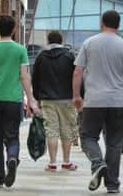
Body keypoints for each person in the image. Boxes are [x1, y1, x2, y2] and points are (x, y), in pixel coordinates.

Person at [73, 10, 123, 194]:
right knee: (114, 143)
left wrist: (77, 96)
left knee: (87, 137)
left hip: (94, 100)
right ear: (119, 25)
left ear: (102, 23)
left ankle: (97, 162)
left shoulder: (89, 43)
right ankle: (112, 184)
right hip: (118, 101)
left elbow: (77, 72)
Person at [0, 15, 39, 189]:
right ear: (13, 30)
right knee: (12, 136)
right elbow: (24, 76)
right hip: (14, 100)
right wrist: (31, 100)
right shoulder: (20, 50)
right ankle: (12, 157)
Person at [32, 30, 77, 171]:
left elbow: (35, 79)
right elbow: (77, 77)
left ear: (48, 40)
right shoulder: (70, 57)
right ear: (61, 40)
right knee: (67, 130)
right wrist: (78, 95)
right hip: (67, 99)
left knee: (51, 131)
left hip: (47, 100)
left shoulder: (41, 57)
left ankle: (52, 163)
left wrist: (37, 97)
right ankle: (66, 161)